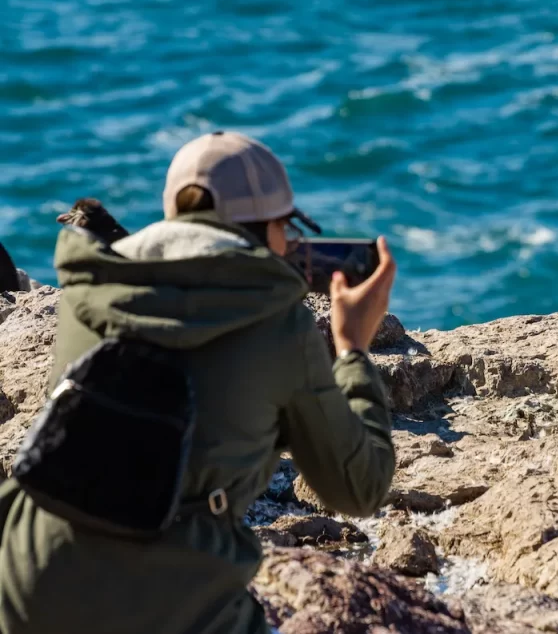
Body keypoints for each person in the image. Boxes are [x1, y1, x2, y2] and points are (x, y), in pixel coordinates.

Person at [0, 131, 397, 634]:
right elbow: (359, 488)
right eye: (288, 226)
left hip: (21, 577)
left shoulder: (87, 293)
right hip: (170, 595)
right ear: (267, 229)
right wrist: (352, 347)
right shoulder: (277, 325)